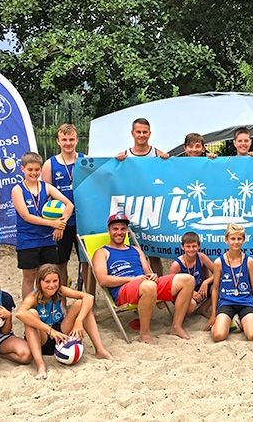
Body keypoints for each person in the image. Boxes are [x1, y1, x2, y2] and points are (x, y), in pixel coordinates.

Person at [91, 213, 195, 343]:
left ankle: (176, 326)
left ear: (127, 231)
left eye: (123, 229)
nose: (119, 232)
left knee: (187, 279)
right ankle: (144, 334)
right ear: (109, 230)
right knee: (149, 286)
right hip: (123, 289)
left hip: (145, 283)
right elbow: (103, 280)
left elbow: (148, 272)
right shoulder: (102, 252)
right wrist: (133, 279)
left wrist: (152, 275)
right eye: (115, 229)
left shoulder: (135, 249)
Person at [16, 263, 112, 379]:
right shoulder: (34, 296)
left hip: (60, 332)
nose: (52, 285)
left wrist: (79, 321)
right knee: (31, 314)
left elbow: (89, 297)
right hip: (41, 336)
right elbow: (20, 313)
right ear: (39, 282)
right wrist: (49, 330)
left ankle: (100, 350)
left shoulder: (60, 290)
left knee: (81, 304)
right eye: (47, 281)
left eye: (55, 281)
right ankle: (41, 365)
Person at [12, 152, 74, 299]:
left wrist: (60, 225)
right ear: (23, 169)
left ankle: (50, 308)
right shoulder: (17, 189)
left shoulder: (46, 187)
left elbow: (69, 205)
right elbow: (26, 216)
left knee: (49, 276)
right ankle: (28, 310)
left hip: (47, 239)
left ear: (41, 169)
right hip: (27, 240)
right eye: (30, 170)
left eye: (37, 170)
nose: (34, 173)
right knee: (29, 277)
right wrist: (52, 223)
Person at [41, 123, 91, 294]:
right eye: (64, 139)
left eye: (71, 139)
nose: (68, 143)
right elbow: (46, 195)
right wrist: (53, 223)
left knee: (87, 261)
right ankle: (61, 299)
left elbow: (95, 189)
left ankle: (87, 296)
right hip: (62, 222)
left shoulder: (86, 161)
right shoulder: (50, 164)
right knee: (60, 262)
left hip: (83, 220)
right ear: (58, 141)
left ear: (77, 140)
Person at [115, 118, 167, 276]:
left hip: (151, 208)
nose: (142, 135)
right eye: (138, 132)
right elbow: (114, 176)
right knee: (133, 252)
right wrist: (116, 161)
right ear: (132, 133)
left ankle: (160, 290)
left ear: (150, 133)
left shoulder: (157, 153)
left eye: (145, 132)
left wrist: (166, 160)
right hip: (132, 208)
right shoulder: (125, 155)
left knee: (154, 254)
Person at [206, 224, 253, 342]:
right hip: (227, 302)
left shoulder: (249, 261)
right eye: (232, 239)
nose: (236, 242)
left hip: (246, 302)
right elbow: (215, 289)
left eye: (239, 239)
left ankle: (242, 321)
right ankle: (226, 322)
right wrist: (213, 314)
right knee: (218, 336)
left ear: (243, 240)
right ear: (226, 240)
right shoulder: (219, 262)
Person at [168, 231, 215, 317]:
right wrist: (190, 292)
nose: (191, 249)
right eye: (188, 246)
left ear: (199, 246)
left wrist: (206, 282)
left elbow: (217, 272)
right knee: (191, 306)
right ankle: (181, 312)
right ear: (182, 247)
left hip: (199, 287)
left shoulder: (201, 257)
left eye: (194, 246)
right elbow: (169, 287)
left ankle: (202, 309)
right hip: (183, 292)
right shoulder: (177, 264)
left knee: (221, 284)